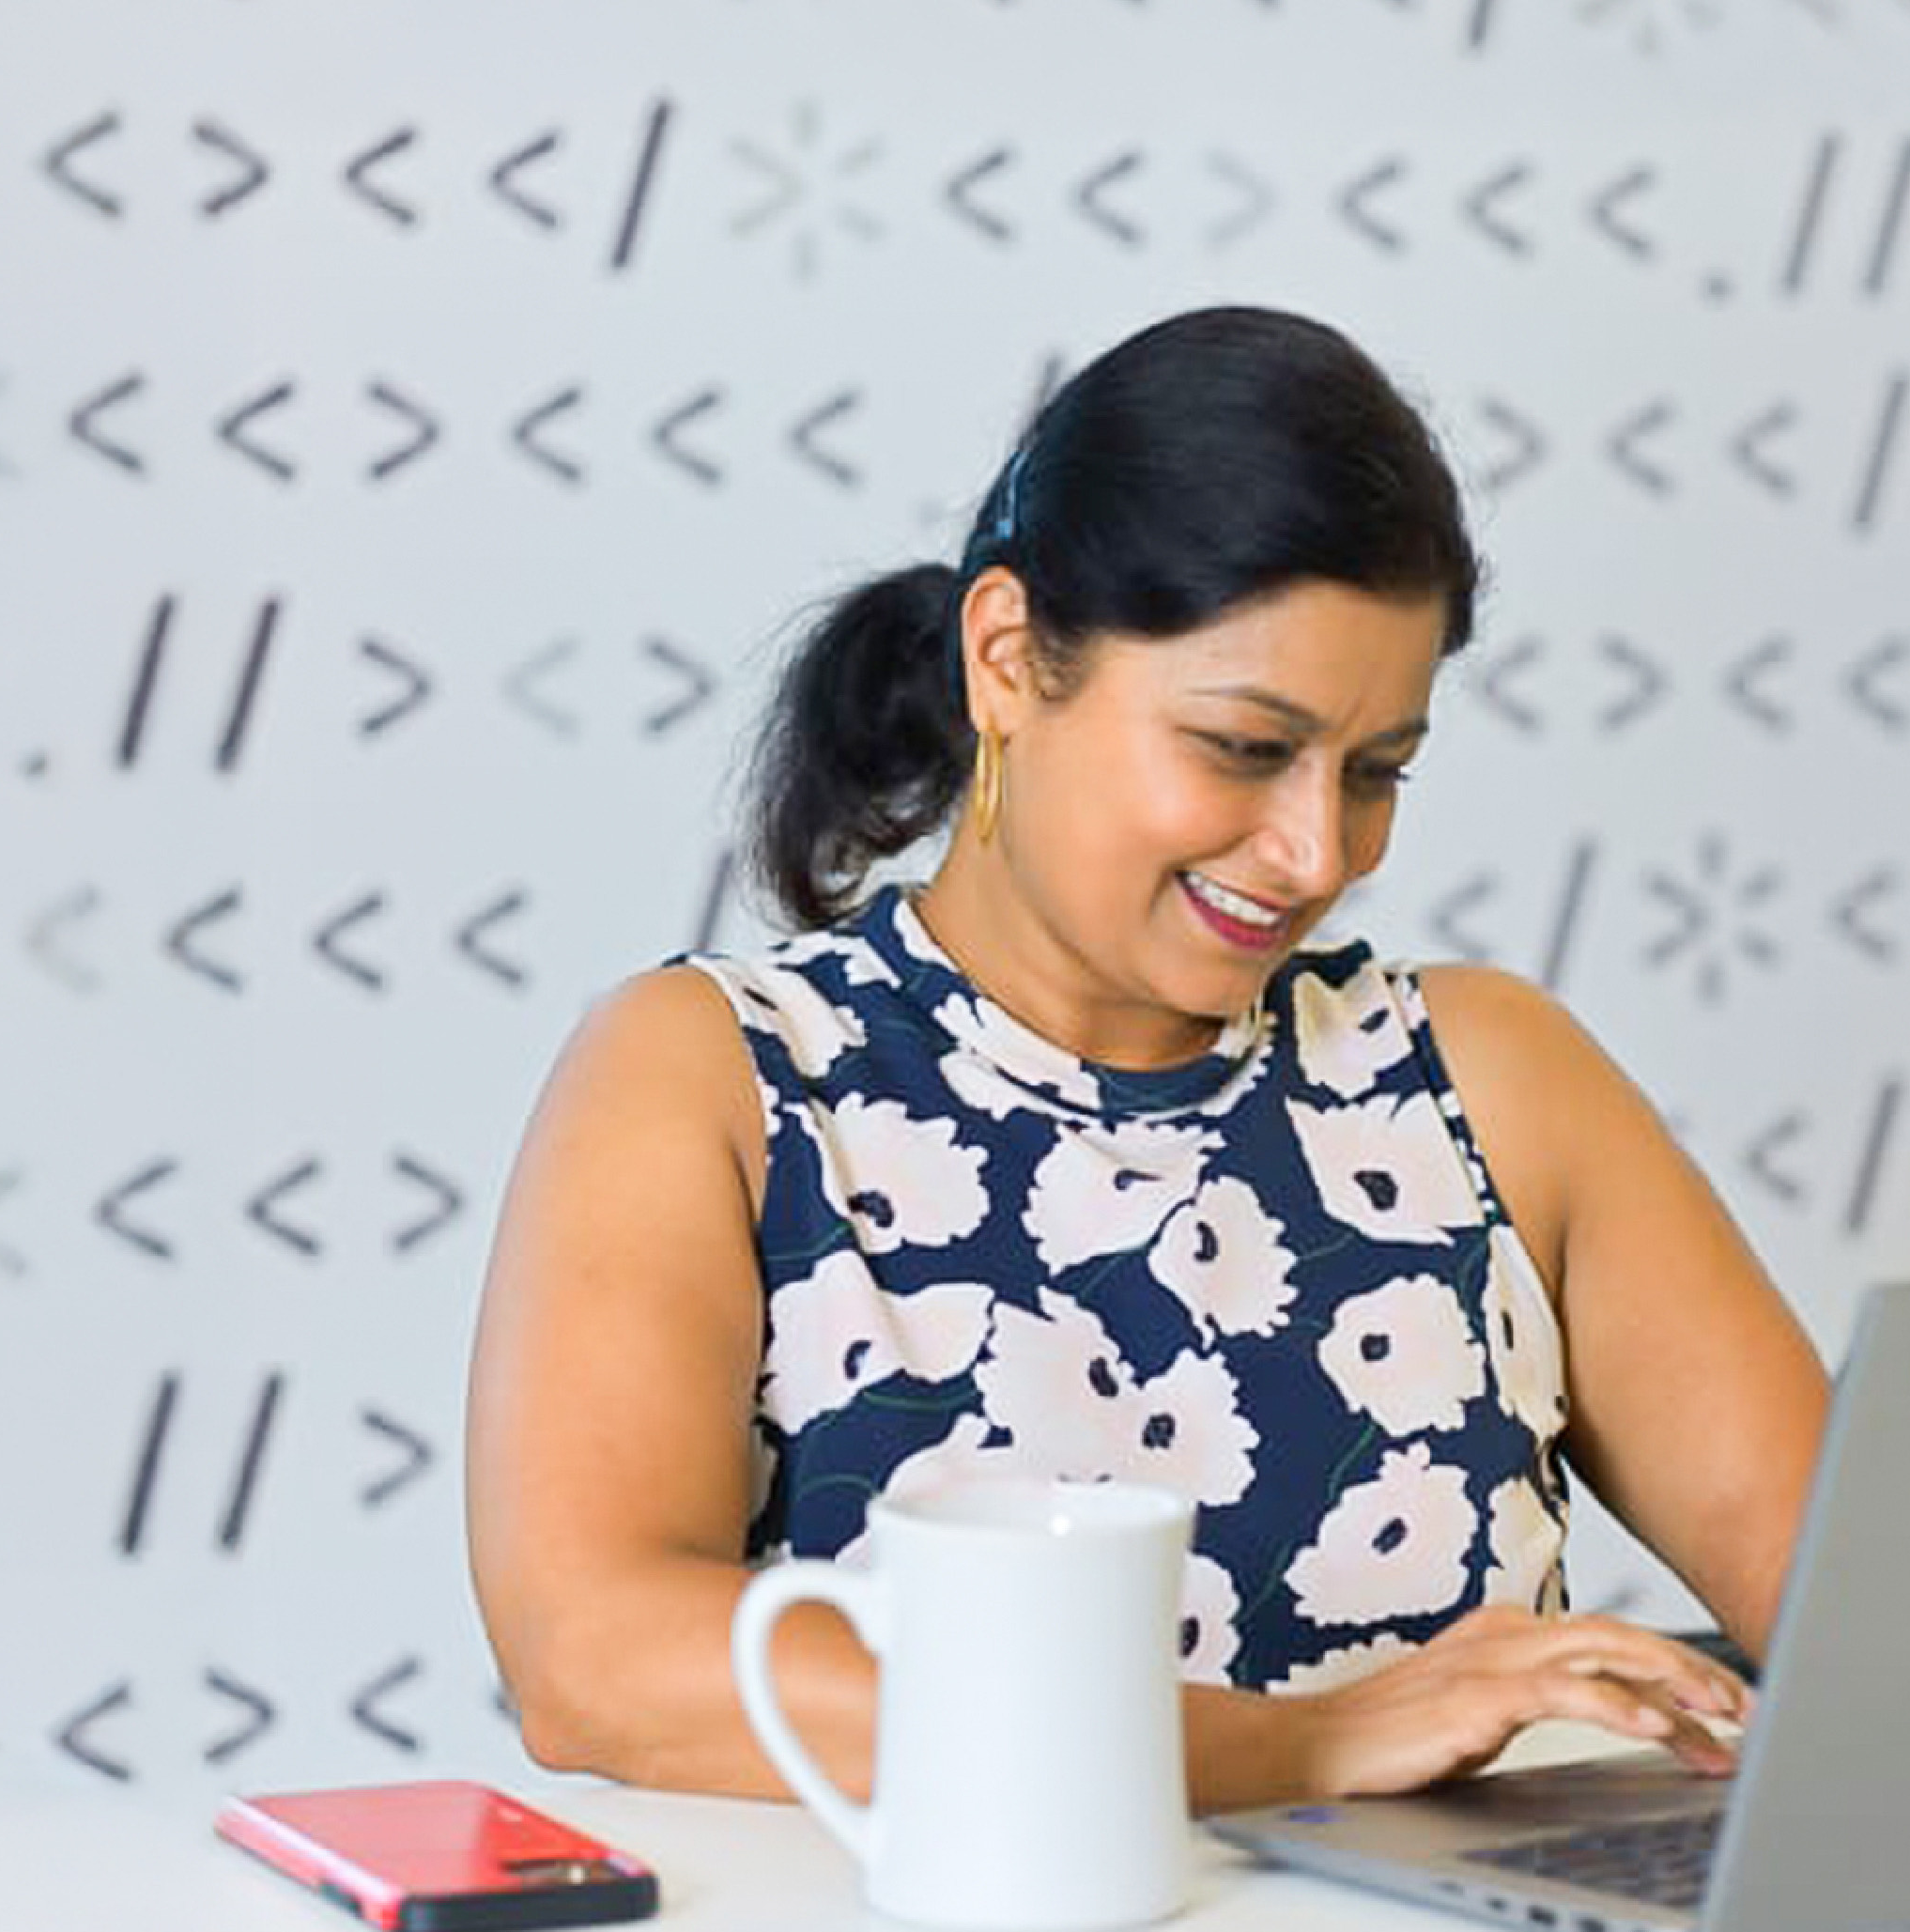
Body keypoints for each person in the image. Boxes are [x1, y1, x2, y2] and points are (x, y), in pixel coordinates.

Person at [466, 305, 1827, 1815]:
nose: (1318, 851)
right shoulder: (717, 1079)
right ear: (1007, 659)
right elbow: (593, 1659)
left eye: (1378, 773)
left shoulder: (1495, 1078)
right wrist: (1304, 1748)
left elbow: (1869, 1623)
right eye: (1246, 748)